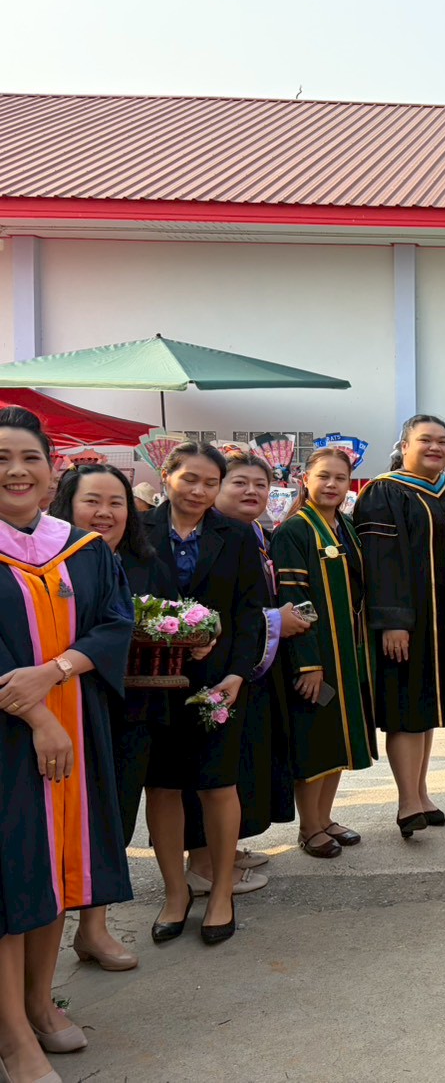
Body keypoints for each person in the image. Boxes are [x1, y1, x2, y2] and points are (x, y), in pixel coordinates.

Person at [0, 408, 134, 1083]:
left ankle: (38, 1002)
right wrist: (37, 716)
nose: (16, 471)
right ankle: (13, 1038)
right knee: (8, 875)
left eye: (29, 457)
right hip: (6, 740)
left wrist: (55, 673)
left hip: (76, 727)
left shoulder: (81, 549)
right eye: (1, 459)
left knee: (53, 866)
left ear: (52, 472)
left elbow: (115, 623)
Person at [140, 443, 269, 946]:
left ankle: (220, 893)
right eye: (189, 479)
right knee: (163, 786)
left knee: (218, 784)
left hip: (220, 682)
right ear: (167, 476)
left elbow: (250, 613)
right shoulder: (138, 530)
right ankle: (175, 893)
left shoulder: (234, 535)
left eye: (210, 483)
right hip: (152, 681)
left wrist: (238, 674)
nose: (198, 491)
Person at [50, 465, 163, 973]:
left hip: (133, 706)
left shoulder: (144, 561)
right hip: (61, 706)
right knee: (55, 823)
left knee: (113, 816)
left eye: (116, 503)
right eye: (91, 501)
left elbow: (175, 614)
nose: (104, 513)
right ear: (67, 505)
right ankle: (41, 938)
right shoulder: (47, 562)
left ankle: (93, 928)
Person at [181, 452, 308, 890]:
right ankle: (202, 864)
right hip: (210, 669)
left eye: (261, 484)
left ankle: (224, 847)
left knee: (237, 766)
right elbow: (217, 611)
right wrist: (276, 621)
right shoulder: (202, 536)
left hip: (247, 668)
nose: (252, 491)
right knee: (208, 770)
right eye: (240, 483)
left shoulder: (251, 534)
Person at [353, 415, 445, 838]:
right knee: (405, 708)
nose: (435, 447)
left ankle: (422, 794)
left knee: (425, 709)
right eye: (425, 440)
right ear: (404, 446)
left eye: (442, 440)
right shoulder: (383, 492)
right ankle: (407, 802)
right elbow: (380, 561)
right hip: (406, 622)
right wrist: (392, 621)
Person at [273, 447, 377, 858]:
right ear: (306, 480)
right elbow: (295, 600)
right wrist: (308, 664)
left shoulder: (345, 526)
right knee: (315, 739)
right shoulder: (295, 531)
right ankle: (309, 826)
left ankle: (326, 817)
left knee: (337, 738)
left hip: (346, 649)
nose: (332, 484)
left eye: (340, 478)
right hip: (316, 653)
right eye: (324, 477)